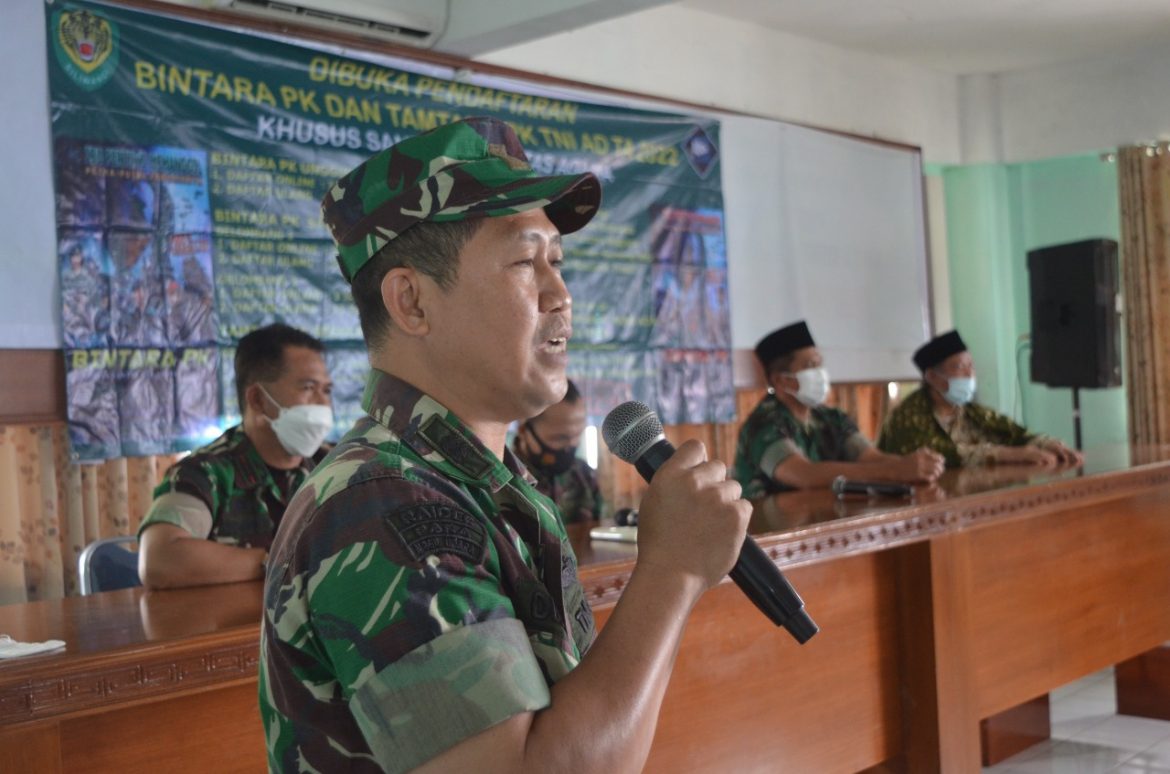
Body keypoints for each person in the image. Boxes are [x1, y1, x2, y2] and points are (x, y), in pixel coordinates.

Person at [259, 117, 751, 774]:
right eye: (524, 261)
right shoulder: (383, 508)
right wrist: (672, 572)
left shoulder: (474, 477)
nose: (561, 294)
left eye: (558, 260)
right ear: (411, 302)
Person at [137, 323, 333, 589]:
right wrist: (277, 563)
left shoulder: (337, 464)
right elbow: (160, 560)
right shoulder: (206, 472)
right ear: (257, 400)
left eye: (327, 390)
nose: (324, 404)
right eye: (308, 388)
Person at [733, 320, 945, 498]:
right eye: (810, 366)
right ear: (781, 380)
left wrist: (916, 465)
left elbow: (871, 458)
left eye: (820, 364)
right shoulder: (762, 425)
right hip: (771, 538)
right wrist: (893, 471)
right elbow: (804, 475)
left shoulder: (831, 418)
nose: (820, 373)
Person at [878, 329, 1083, 467]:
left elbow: (1014, 433)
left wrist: (1045, 443)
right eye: (959, 367)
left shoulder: (970, 411)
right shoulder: (907, 416)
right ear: (932, 377)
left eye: (972, 367)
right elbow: (942, 455)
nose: (970, 375)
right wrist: (1011, 454)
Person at [512, 379, 604, 524]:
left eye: (577, 435)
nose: (571, 445)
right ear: (523, 430)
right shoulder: (504, 483)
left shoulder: (584, 476)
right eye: (560, 438)